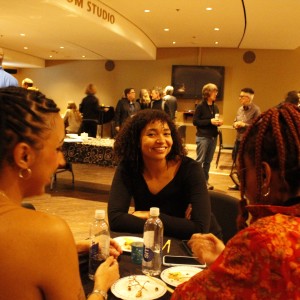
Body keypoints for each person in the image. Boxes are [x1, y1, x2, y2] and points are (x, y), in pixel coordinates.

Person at [0, 86, 121, 300]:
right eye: (58, 148)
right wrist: (101, 287)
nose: (62, 160)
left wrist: (71, 248)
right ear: (24, 156)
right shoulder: (49, 233)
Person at [171, 103, 300, 299]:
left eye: (242, 174)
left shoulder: (263, 239)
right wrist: (228, 261)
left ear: (264, 177)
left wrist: (235, 259)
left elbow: (185, 296)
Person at [108, 109, 222, 240]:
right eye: (151, 134)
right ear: (136, 140)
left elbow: (200, 228)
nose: (161, 140)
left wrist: (152, 217)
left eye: (166, 134)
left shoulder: (191, 169)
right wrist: (180, 225)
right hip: (155, 241)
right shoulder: (128, 167)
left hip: (200, 246)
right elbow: (116, 219)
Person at [229, 87, 261, 190]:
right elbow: (234, 121)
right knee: (236, 161)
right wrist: (235, 124)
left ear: (248, 98)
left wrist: (244, 125)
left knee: (246, 163)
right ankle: (239, 184)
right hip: (238, 139)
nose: (239, 98)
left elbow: (258, 125)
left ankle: (246, 185)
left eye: (241, 96)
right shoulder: (240, 109)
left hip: (248, 141)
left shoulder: (256, 110)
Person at [193, 83, 223, 190]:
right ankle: (196, 182)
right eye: (214, 92)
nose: (216, 94)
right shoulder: (200, 106)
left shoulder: (215, 106)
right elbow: (195, 122)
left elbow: (215, 119)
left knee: (208, 162)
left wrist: (219, 122)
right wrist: (210, 121)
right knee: (199, 161)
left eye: (216, 91)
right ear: (207, 93)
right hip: (203, 137)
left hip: (213, 137)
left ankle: (205, 181)